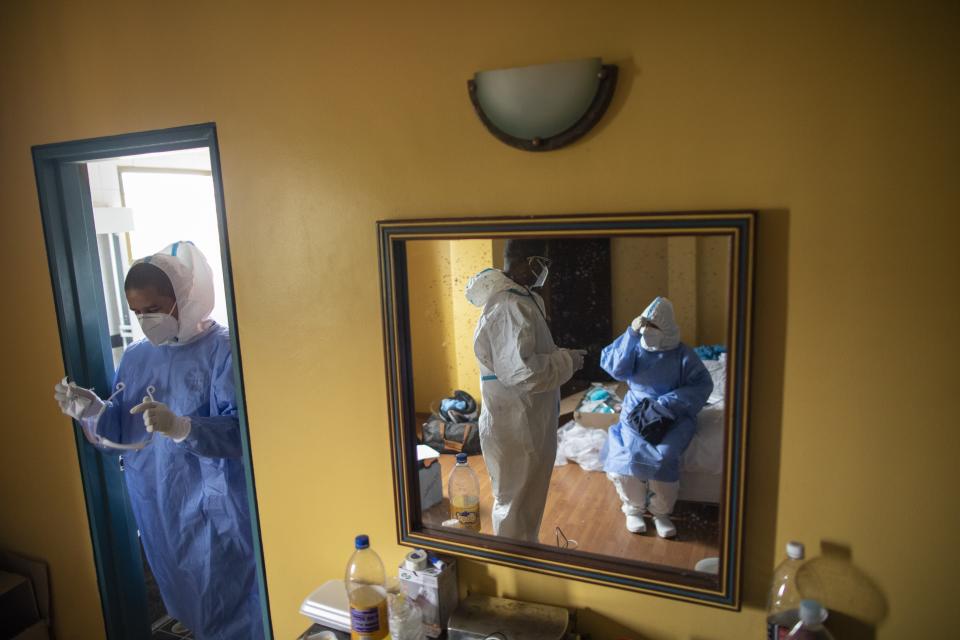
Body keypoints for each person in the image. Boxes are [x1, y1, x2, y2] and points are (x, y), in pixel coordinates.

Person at [53, 241, 262, 640]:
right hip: (160, 505)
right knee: (185, 595)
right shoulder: (136, 356)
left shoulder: (224, 351)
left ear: (184, 298)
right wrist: (91, 409)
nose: (146, 321)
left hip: (216, 509)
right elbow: (118, 432)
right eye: (136, 312)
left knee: (233, 604)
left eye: (153, 309)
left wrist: (182, 427)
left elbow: (243, 434)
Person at [465, 239, 586, 542]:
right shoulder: (509, 306)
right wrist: (567, 361)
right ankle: (514, 562)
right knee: (514, 502)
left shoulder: (522, 300)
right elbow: (523, 373)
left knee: (526, 499)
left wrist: (560, 356)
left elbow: (526, 356)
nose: (544, 271)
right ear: (524, 262)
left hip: (525, 416)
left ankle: (525, 552)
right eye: (541, 263)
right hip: (515, 420)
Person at [600, 296, 713, 539]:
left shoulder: (683, 355)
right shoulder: (636, 347)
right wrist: (630, 334)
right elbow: (614, 367)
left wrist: (667, 402)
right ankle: (634, 508)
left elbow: (703, 385)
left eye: (655, 328)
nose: (648, 334)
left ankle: (661, 512)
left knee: (664, 456)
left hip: (672, 413)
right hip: (637, 411)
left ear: (667, 330)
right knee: (630, 454)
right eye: (645, 328)